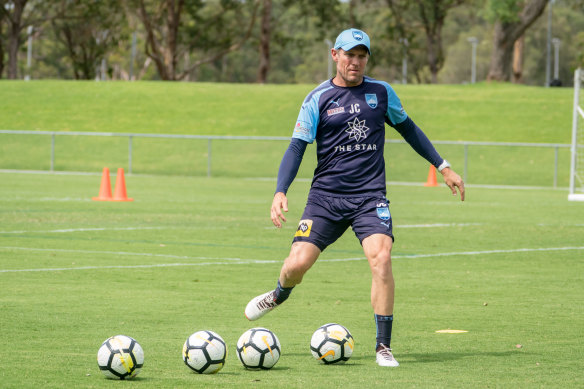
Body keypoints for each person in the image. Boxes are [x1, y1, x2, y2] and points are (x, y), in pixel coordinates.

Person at [244, 28, 465, 367]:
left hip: (369, 198)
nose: (356, 62)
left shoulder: (381, 92)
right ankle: (278, 293)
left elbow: (409, 129)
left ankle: (383, 346)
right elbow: (296, 147)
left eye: (362, 56)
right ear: (335, 55)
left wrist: (443, 166)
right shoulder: (317, 98)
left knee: (382, 259)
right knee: (296, 266)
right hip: (325, 199)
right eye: (350, 55)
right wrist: (280, 191)